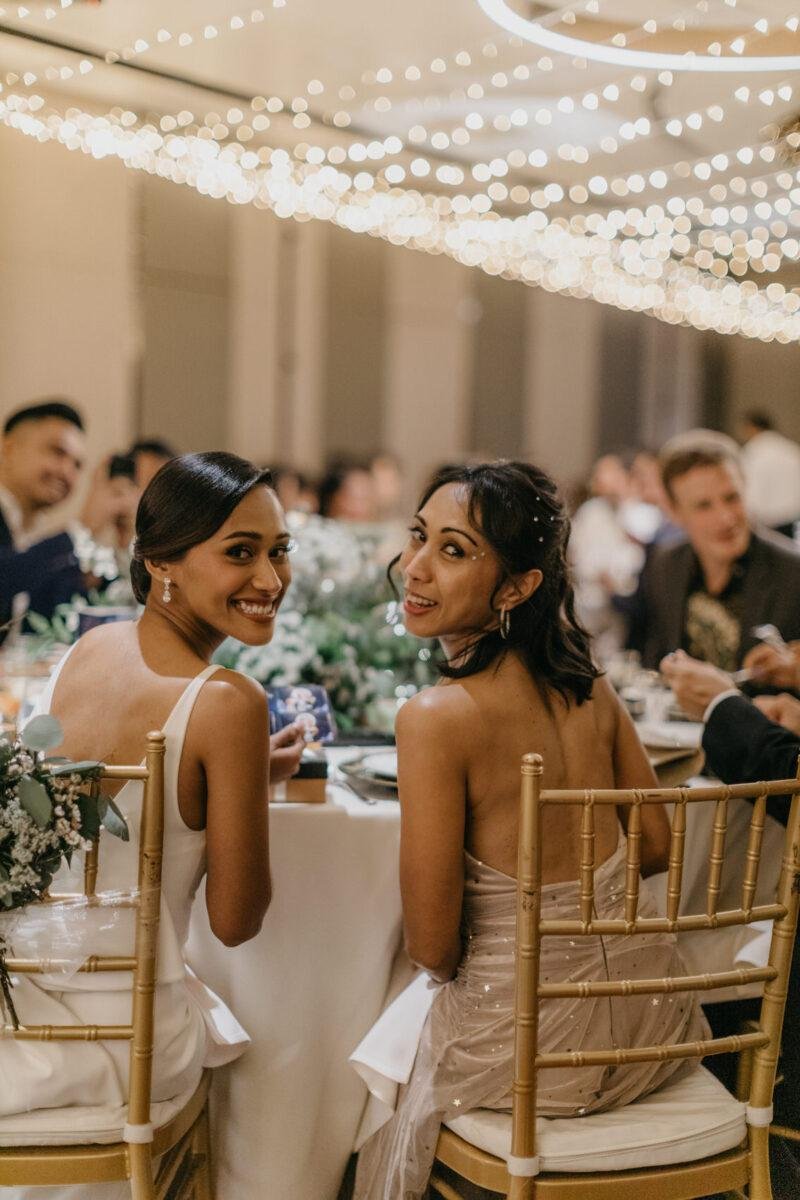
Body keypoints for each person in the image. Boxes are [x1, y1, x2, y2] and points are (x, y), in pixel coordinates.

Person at [352, 461, 705, 1200]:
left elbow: (432, 946)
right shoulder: (591, 687)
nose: (415, 567)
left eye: (453, 550)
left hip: (525, 1058)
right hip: (653, 1029)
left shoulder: (435, 718)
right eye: (419, 536)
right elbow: (655, 845)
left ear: (516, 588)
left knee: (363, 1041)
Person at [3, 452, 301, 1199]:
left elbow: (102, 805)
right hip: (128, 1034)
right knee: (282, 1052)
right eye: (241, 553)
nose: (270, 579)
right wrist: (242, 788)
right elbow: (236, 922)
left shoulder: (89, 649)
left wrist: (241, 775)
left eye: (279, 550)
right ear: (161, 562)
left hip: (24, 1008)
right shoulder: (228, 702)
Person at [638, 433, 800, 671]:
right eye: (704, 506)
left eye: (732, 498)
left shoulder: (793, 572)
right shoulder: (665, 563)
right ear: (674, 512)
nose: (725, 518)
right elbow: (655, 658)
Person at [737, 411, 800, 539]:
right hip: (794, 522)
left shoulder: (753, 452)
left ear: (751, 427)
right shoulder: (791, 450)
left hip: (768, 525)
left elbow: (751, 494)